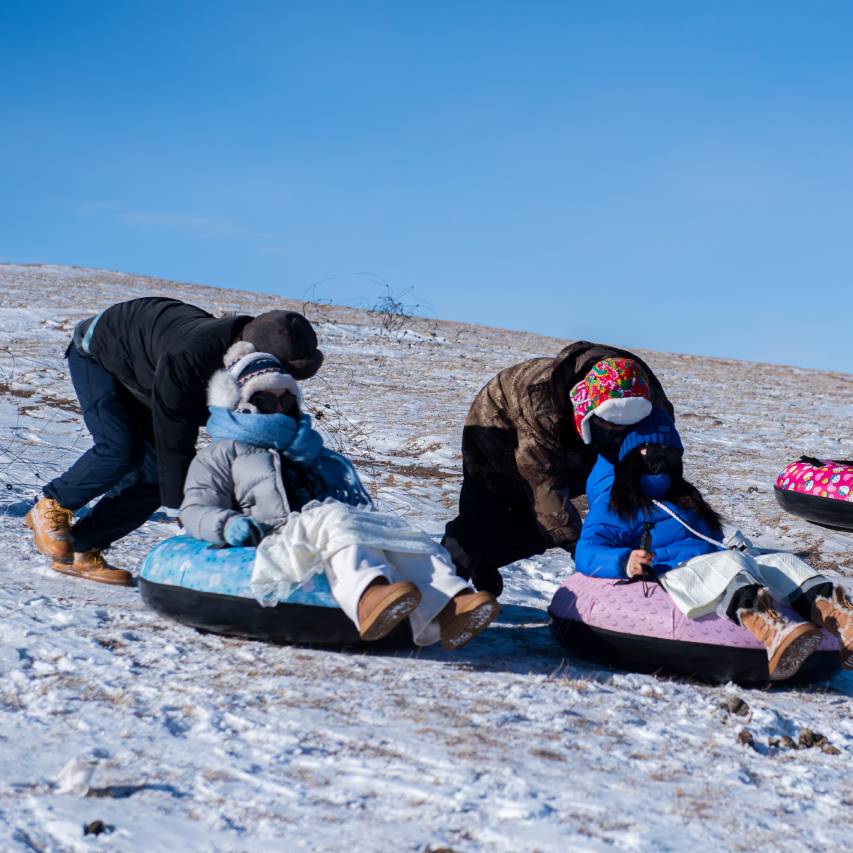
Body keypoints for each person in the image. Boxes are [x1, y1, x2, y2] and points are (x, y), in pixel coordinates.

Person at [179, 343, 500, 649]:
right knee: (334, 518)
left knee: (392, 531)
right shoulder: (223, 453)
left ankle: (451, 606)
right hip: (272, 535)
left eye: (286, 400)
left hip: (325, 528)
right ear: (241, 402)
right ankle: (368, 597)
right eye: (266, 400)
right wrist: (228, 523)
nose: (278, 409)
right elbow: (194, 508)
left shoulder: (313, 451)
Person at [25, 297, 323, 585]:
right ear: (250, 354)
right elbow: (175, 440)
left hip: (149, 375)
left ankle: (82, 548)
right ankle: (52, 504)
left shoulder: (250, 373)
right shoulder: (191, 358)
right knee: (120, 449)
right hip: (100, 354)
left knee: (156, 480)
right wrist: (188, 513)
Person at [573, 408, 853, 679]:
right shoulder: (617, 503)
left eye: (670, 451)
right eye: (653, 449)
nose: (663, 457)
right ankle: (768, 628)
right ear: (633, 453)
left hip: (712, 562)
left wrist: (735, 542)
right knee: (726, 564)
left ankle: (838, 618)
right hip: (669, 570)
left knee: (781, 561)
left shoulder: (683, 497)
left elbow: (712, 538)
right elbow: (587, 549)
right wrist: (623, 561)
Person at [443, 342, 673, 596]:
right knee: (484, 516)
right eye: (603, 425)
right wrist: (591, 553)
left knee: (536, 533)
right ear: (584, 409)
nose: (610, 433)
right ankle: (443, 593)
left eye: (621, 429)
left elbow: (660, 465)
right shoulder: (542, 407)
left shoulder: (648, 400)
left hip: (572, 445)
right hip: (499, 429)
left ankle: (485, 559)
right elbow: (547, 492)